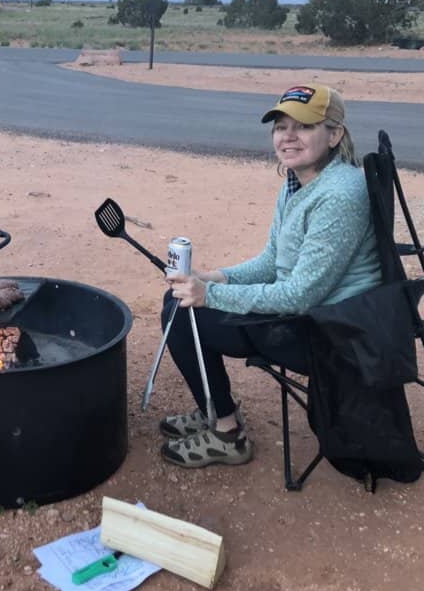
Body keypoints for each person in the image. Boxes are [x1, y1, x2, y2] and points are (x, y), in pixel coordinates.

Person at [158, 85, 381, 468]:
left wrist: (209, 295)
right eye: (280, 127)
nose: (287, 136)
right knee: (180, 302)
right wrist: (216, 277)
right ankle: (214, 407)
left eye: (304, 126)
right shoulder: (299, 181)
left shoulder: (339, 195)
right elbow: (273, 261)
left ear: (334, 134)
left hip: (332, 334)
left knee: (184, 313)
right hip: (313, 315)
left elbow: (299, 296)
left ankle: (227, 434)